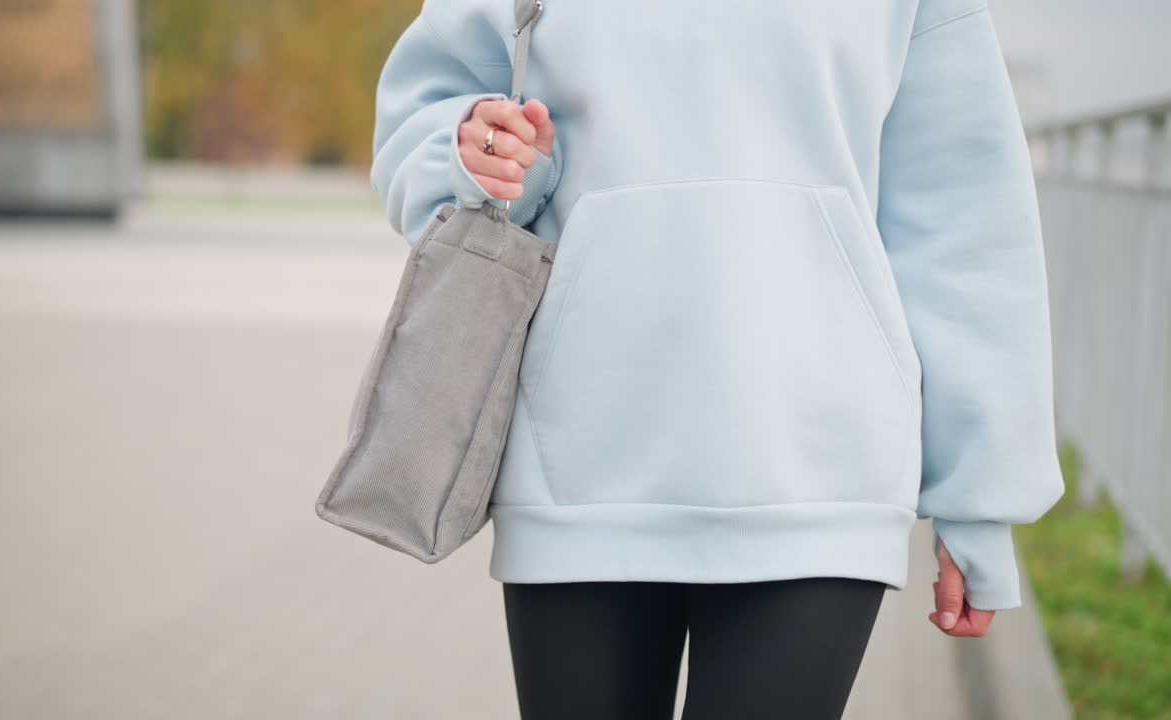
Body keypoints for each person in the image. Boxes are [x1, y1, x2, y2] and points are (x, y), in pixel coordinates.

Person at [368, 0, 1065, 716]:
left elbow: (963, 217)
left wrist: (979, 499)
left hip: (818, 472)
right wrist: (474, 150)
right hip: (581, 462)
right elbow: (425, 109)